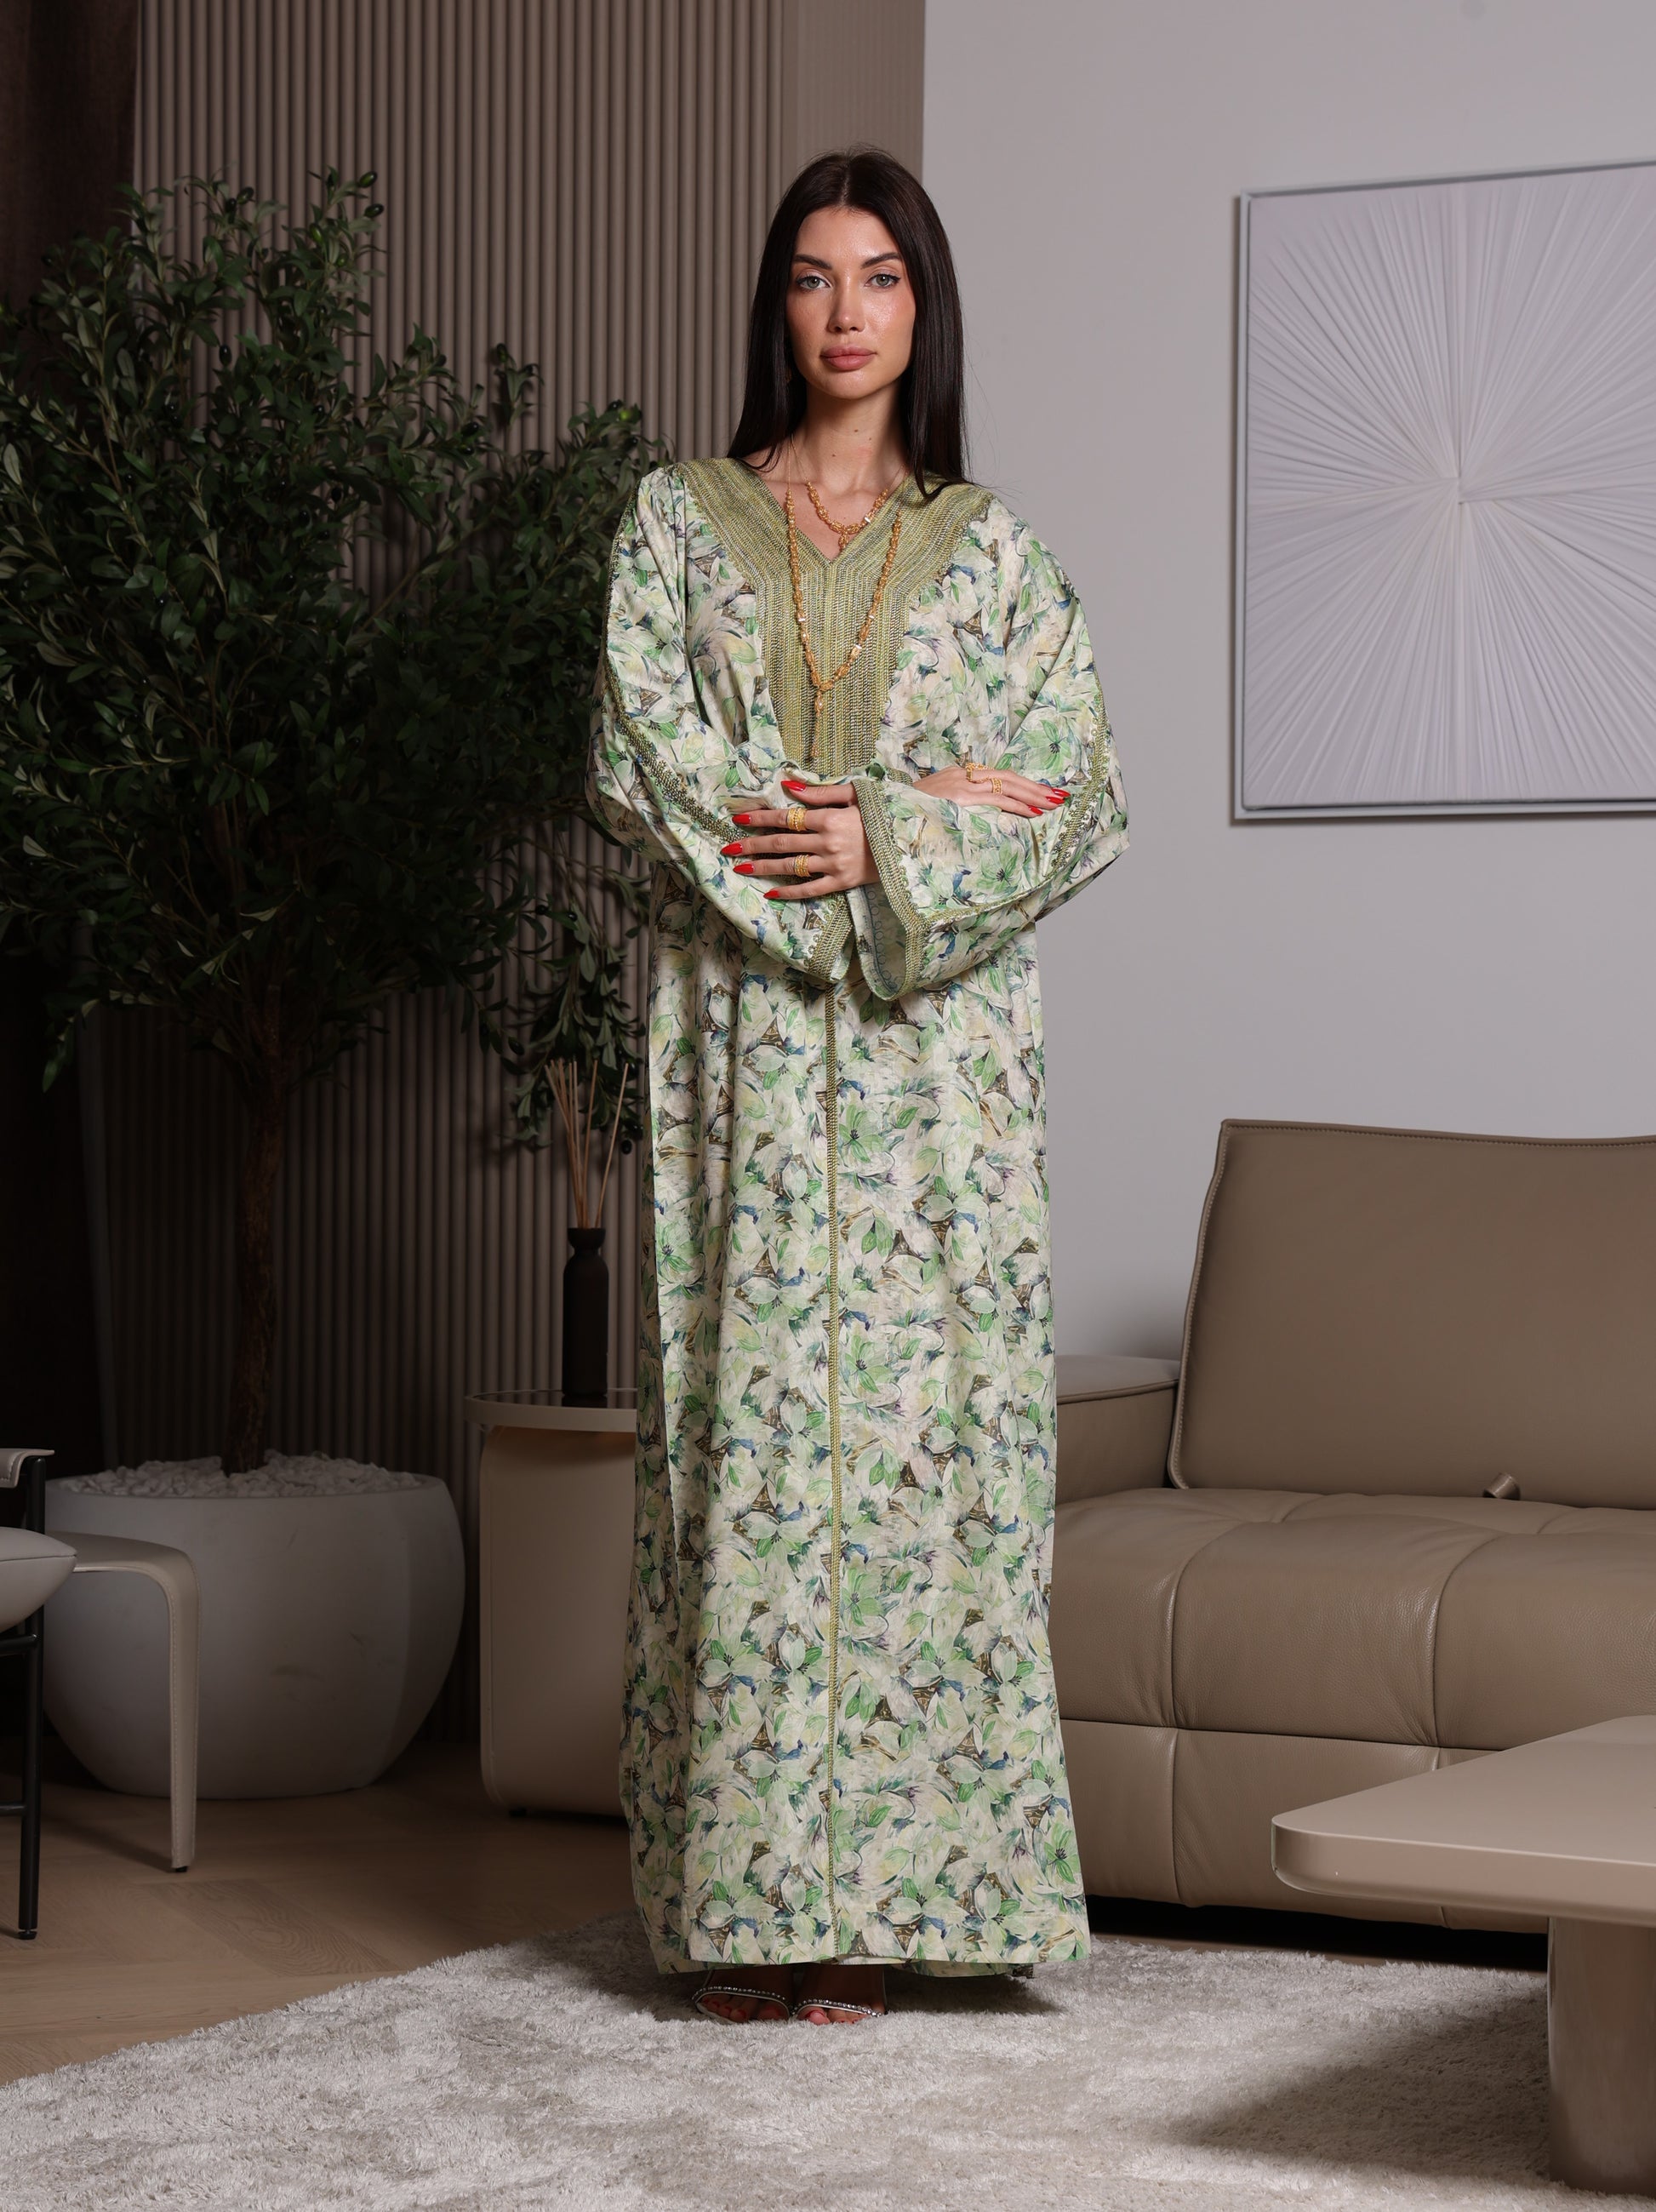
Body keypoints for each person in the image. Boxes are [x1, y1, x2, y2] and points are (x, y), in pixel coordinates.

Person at [586, 146, 1128, 2027]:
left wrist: (879, 829)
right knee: (742, 1451)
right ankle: (744, 1910)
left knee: (921, 1460)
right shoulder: (675, 527)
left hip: (936, 1080)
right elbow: (650, 765)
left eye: (880, 276)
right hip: (739, 1053)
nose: (845, 311)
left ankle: (900, 1909)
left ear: (922, 306)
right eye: (814, 276)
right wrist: (896, 821)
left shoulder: (991, 553)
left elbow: (1076, 794)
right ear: (777, 304)